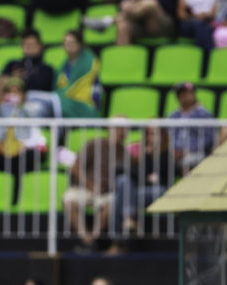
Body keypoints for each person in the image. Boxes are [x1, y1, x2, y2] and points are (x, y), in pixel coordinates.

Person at [0, 76, 47, 195]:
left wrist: (25, 145)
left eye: (16, 92)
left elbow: (35, 134)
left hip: (24, 149)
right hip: (1, 149)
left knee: (26, 158)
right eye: (10, 92)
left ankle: (19, 195)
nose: (12, 96)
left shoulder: (29, 109)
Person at [64, 118, 128, 252]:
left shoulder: (125, 153)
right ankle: (86, 238)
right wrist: (91, 185)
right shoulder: (95, 144)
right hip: (86, 188)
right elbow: (76, 167)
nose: (120, 132)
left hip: (107, 192)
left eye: (124, 129)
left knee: (113, 203)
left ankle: (91, 240)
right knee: (68, 200)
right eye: (117, 128)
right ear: (109, 130)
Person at [112, 126, 175, 237]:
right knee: (123, 181)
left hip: (160, 191)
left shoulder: (167, 154)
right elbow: (135, 174)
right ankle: (129, 220)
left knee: (122, 196)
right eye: (149, 134)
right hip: (140, 190)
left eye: (155, 134)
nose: (151, 138)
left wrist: (145, 176)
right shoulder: (141, 153)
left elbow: (156, 179)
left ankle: (117, 240)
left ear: (162, 136)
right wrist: (144, 156)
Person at [167, 81, 216, 175]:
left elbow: (208, 139)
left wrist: (188, 150)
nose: (182, 96)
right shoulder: (173, 115)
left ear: (193, 94)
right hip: (174, 154)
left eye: (185, 93)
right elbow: (168, 136)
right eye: (179, 94)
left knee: (189, 161)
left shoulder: (204, 115)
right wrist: (174, 150)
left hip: (197, 153)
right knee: (159, 161)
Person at [54, 30, 100, 118]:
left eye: (72, 42)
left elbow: (72, 88)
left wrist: (54, 98)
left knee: (56, 105)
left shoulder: (90, 61)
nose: (69, 46)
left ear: (80, 44)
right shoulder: (63, 66)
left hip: (85, 105)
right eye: (66, 43)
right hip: (68, 104)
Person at [1, 29, 55, 95]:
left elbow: (42, 88)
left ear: (40, 46)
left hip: (36, 101)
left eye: (32, 44)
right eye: (25, 44)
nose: (28, 47)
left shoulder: (47, 69)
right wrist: (13, 78)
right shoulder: (12, 64)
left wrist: (22, 80)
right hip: (12, 100)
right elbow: (1, 84)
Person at [112, 0, 178, 44]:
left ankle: (116, 18)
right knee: (123, 26)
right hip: (139, 22)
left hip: (162, 22)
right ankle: (123, 61)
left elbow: (171, 6)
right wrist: (126, 3)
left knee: (150, 4)